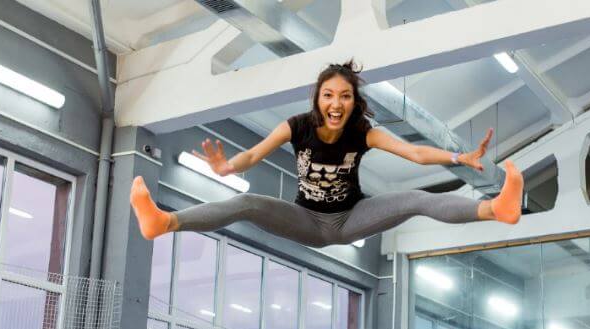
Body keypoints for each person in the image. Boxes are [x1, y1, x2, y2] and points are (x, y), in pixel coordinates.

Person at [130, 60, 523, 248]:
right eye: (329, 95)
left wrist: (457, 159)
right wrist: (227, 165)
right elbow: (254, 155)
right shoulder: (296, 126)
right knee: (246, 201)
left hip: (351, 218)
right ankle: (164, 222)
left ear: (354, 103)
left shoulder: (362, 133)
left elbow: (415, 153)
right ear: (319, 99)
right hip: (305, 219)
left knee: (418, 198)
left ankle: (494, 209)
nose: (337, 103)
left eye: (346, 96)